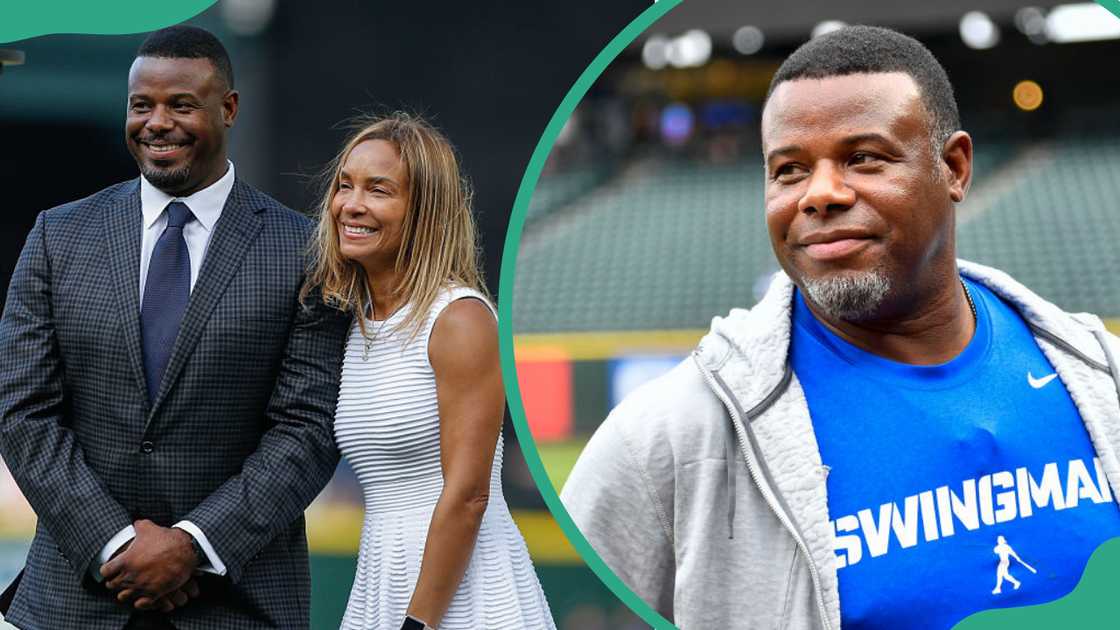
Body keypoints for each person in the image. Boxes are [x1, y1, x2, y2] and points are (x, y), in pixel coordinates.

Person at [561, 25, 1120, 630]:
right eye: (790, 170)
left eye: (864, 157)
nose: (820, 194)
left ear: (954, 167)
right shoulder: (669, 440)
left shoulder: (1099, 373)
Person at [0, 25, 349, 630]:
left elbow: (307, 428)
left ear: (229, 108)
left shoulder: (306, 251)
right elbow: (22, 409)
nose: (158, 122)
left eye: (181, 104)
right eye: (142, 106)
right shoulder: (59, 235)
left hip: (234, 604)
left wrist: (192, 546)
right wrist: (113, 544)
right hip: (71, 602)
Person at [302, 113, 555, 630]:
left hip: (464, 597)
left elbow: (468, 495)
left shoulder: (460, 318)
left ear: (425, 211)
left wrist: (419, 623)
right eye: (345, 186)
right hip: (380, 584)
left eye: (378, 190)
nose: (351, 204)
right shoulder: (352, 323)